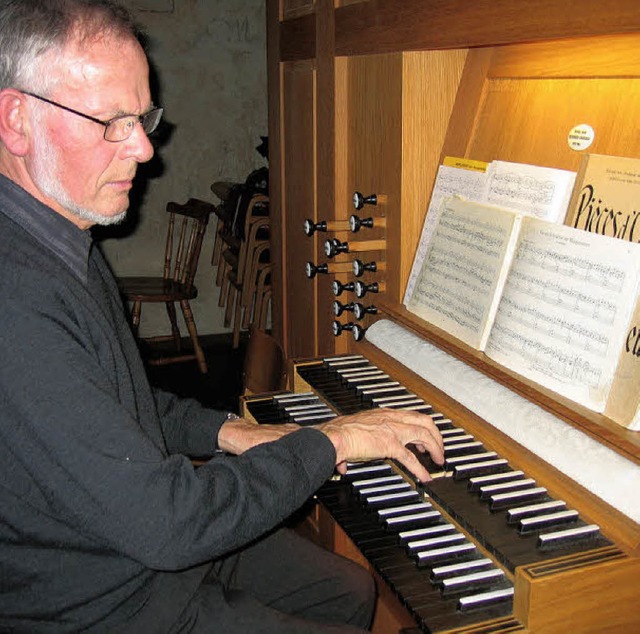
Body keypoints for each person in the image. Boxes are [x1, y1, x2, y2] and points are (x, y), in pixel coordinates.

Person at [0, 1, 444, 632]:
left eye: (143, 116)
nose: (146, 149)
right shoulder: (16, 300)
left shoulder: (61, 232)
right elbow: (167, 525)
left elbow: (114, 404)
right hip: (100, 601)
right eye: (113, 122)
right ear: (17, 120)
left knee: (348, 588)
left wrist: (229, 433)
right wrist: (334, 439)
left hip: (134, 549)